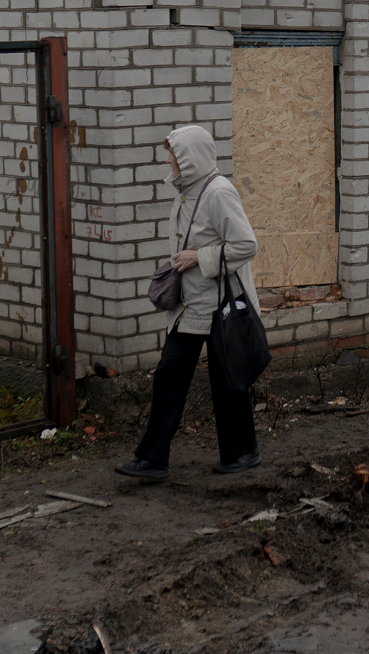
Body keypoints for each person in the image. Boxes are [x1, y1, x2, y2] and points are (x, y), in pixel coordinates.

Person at [116, 125, 262, 480]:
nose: (168, 160)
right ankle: (152, 460)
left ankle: (243, 451)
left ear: (191, 157)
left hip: (220, 305)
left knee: (226, 379)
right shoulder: (186, 192)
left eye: (174, 154)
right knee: (169, 374)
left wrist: (200, 257)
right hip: (191, 304)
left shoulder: (218, 193)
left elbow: (246, 245)